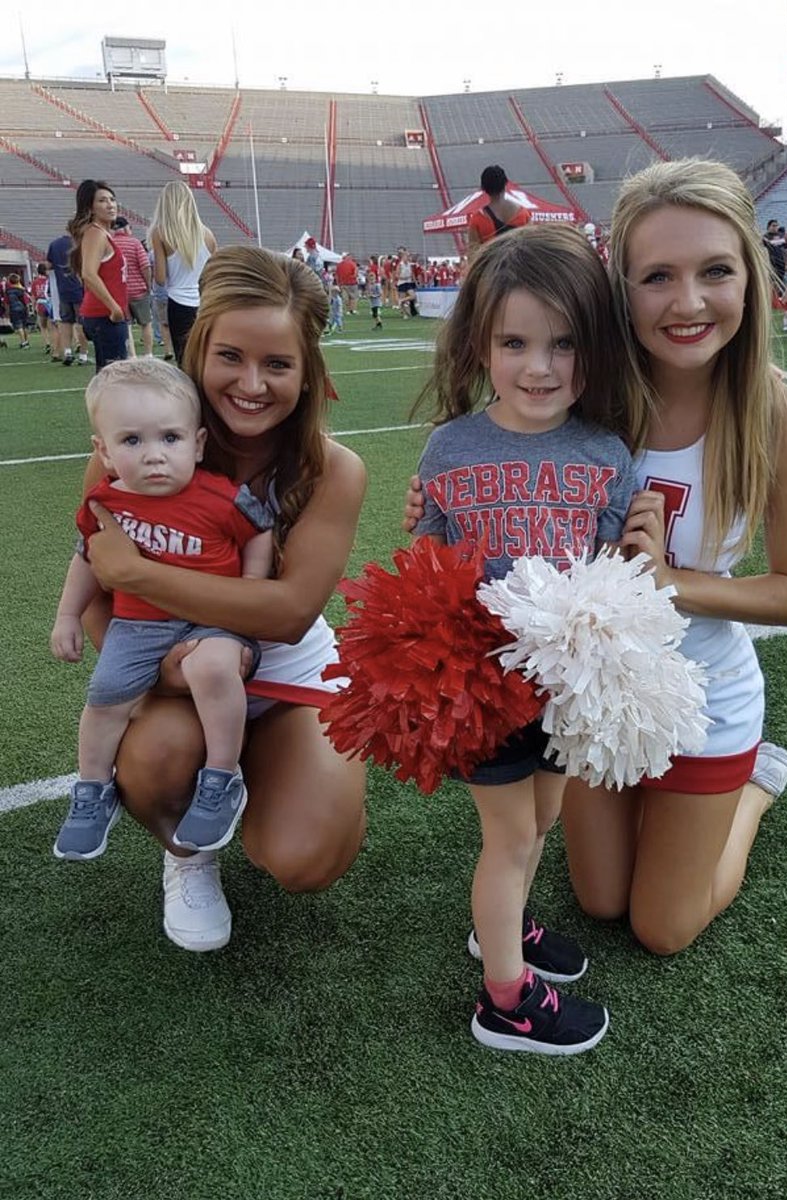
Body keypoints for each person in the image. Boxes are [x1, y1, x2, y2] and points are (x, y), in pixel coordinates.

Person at [404, 159, 787, 959]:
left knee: (660, 929)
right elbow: (502, 472)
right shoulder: (587, 392)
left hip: (702, 698)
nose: (687, 301)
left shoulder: (779, 415)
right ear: (618, 292)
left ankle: (751, 791)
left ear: (750, 277)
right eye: (656, 276)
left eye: (714, 272)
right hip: (588, 694)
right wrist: (445, 506)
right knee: (598, 900)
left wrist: (672, 586)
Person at [74, 246, 367, 952]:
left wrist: (143, 578)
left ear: (308, 371)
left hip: (289, 673)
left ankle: (268, 776)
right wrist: (163, 670)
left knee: (305, 857)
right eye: (231, 356)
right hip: (181, 672)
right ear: (197, 347)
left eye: (278, 364)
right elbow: (92, 581)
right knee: (149, 763)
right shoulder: (142, 441)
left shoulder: (332, 469)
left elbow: (290, 611)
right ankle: (187, 855)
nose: (252, 383)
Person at [412, 223, 640, 1055]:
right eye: (514, 342)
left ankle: (502, 926)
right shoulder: (450, 445)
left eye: (563, 343)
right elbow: (427, 569)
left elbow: (611, 568)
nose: (539, 367)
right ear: (480, 343)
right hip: (480, 681)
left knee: (542, 816)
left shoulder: (608, 452)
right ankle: (504, 999)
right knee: (508, 836)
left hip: (564, 682)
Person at [51, 359, 274, 862]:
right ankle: (92, 790)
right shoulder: (106, 503)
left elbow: (261, 530)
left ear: (197, 444)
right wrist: (68, 616)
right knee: (104, 696)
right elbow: (87, 557)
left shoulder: (220, 498)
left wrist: (251, 588)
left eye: (170, 439)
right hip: (138, 622)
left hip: (212, 618)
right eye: (132, 442)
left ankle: (222, 776)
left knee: (212, 665)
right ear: (103, 452)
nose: (155, 456)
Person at [149, 180, 217, 364]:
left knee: (184, 359)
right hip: (205, 302)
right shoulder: (208, 234)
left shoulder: (161, 233)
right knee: (207, 357)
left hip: (178, 302)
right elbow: (214, 273)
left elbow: (160, 279)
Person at [68, 179, 128, 372]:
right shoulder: (96, 234)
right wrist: (114, 308)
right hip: (104, 315)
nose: (110, 204)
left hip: (105, 314)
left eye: (112, 199)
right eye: (102, 200)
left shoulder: (103, 233)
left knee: (109, 376)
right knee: (114, 378)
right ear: (91, 208)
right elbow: (88, 274)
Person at [111, 217, 154, 357]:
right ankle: (148, 354)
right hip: (139, 290)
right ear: (126, 228)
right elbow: (145, 266)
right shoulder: (134, 243)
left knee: (126, 325)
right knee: (146, 323)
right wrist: (149, 285)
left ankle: (132, 355)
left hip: (119, 291)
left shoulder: (110, 244)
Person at [47, 225, 90, 365]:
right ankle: (83, 355)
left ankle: (67, 352)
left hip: (63, 290)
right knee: (81, 323)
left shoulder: (55, 244)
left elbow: (48, 265)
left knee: (65, 322)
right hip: (79, 290)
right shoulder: (80, 243)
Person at [467, 165, 530, 256]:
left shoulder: (478, 219)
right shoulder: (523, 214)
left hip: (491, 268)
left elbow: (472, 256)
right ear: (505, 183)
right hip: (519, 267)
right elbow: (531, 248)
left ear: (483, 188)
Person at [30, 264, 53, 353]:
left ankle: (47, 343)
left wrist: (33, 306)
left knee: (43, 326)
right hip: (50, 303)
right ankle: (54, 343)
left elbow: (33, 296)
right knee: (52, 326)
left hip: (40, 303)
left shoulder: (35, 282)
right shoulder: (49, 280)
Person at [5, 273, 30, 349]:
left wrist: (7, 311)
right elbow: (26, 301)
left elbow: (7, 302)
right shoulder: (22, 290)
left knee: (19, 326)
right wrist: (28, 309)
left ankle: (23, 342)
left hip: (14, 309)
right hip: (23, 308)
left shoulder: (8, 291)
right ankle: (26, 341)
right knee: (24, 325)